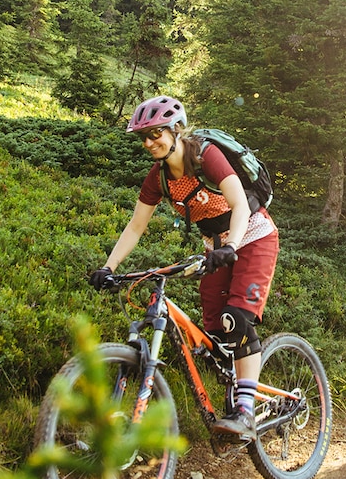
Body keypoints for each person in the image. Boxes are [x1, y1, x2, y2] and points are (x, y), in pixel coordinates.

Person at [88, 95, 279, 442]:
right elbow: (135, 227)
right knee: (213, 335)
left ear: (176, 129)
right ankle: (234, 392)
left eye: (155, 133)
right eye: (143, 137)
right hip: (215, 248)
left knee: (236, 319)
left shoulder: (206, 156)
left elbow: (237, 204)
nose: (149, 143)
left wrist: (233, 246)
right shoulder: (158, 178)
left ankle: (246, 412)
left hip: (252, 236)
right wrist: (108, 266)